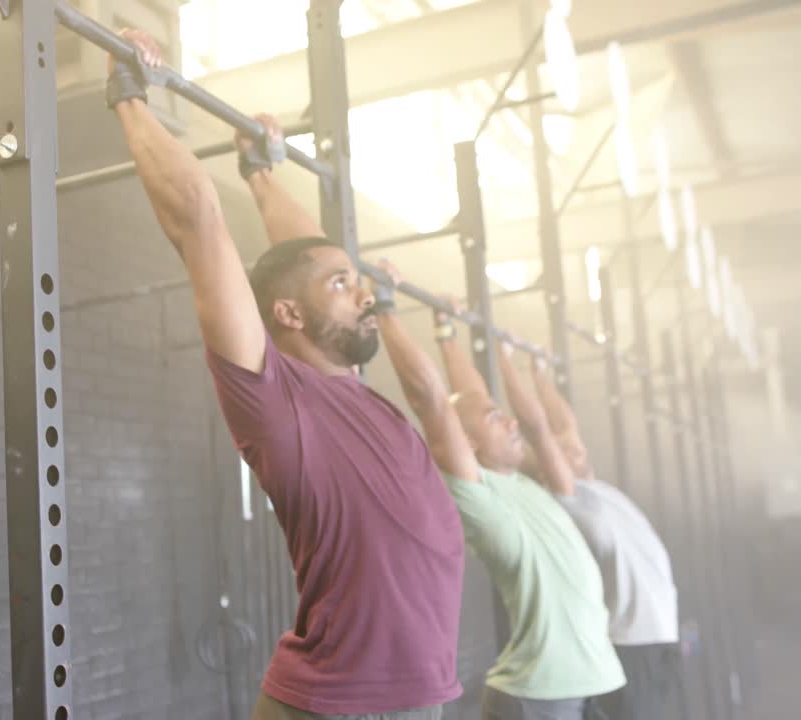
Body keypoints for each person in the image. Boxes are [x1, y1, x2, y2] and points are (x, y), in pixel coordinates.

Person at [104, 32, 465, 720]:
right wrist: (129, 94)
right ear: (289, 314)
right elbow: (198, 224)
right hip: (338, 704)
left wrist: (261, 172)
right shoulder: (274, 397)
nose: (366, 297)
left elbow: (308, 259)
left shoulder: (351, 388)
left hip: (413, 699)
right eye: (345, 287)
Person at [417, 297, 627, 720]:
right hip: (539, 692)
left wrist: (447, 333)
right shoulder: (479, 489)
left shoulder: (529, 482)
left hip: (590, 682)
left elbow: (474, 402)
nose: (511, 424)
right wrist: (504, 357)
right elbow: (452, 412)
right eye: (499, 420)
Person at [530, 360, 683, 720]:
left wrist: (540, 374)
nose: (576, 448)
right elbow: (540, 432)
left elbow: (565, 425)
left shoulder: (596, 489)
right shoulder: (571, 500)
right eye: (563, 450)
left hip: (659, 635)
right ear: (550, 466)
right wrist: (505, 360)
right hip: (630, 645)